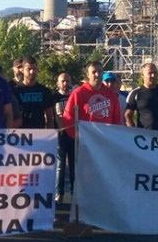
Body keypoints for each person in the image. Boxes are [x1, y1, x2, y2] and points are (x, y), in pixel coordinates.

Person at [61, 62, 122, 140]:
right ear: (88, 75)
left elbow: (117, 119)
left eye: (100, 71)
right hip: (86, 140)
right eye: (94, 72)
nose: (97, 74)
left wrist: (114, 136)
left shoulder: (111, 94)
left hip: (106, 139)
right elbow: (68, 117)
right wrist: (77, 136)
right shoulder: (78, 93)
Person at [125, 63, 158, 131]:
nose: (153, 75)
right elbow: (127, 115)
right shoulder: (135, 93)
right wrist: (134, 131)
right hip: (144, 134)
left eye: (155, 73)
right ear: (142, 75)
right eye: (150, 73)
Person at [12, 56, 55, 129]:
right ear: (22, 70)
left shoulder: (45, 91)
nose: (32, 72)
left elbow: (50, 118)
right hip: (20, 133)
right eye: (29, 69)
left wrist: (49, 134)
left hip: (39, 132)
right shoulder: (15, 91)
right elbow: (10, 115)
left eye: (34, 69)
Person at [53, 72, 75, 202]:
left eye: (67, 80)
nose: (65, 83)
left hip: (73, 134)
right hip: (60, 134)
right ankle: (58, 193)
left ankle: (74, 192)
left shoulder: (74, 95)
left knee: (73, 165)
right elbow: (52, 115)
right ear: (58, 83)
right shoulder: (54, 97)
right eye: (62, 81)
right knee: (60, 165)